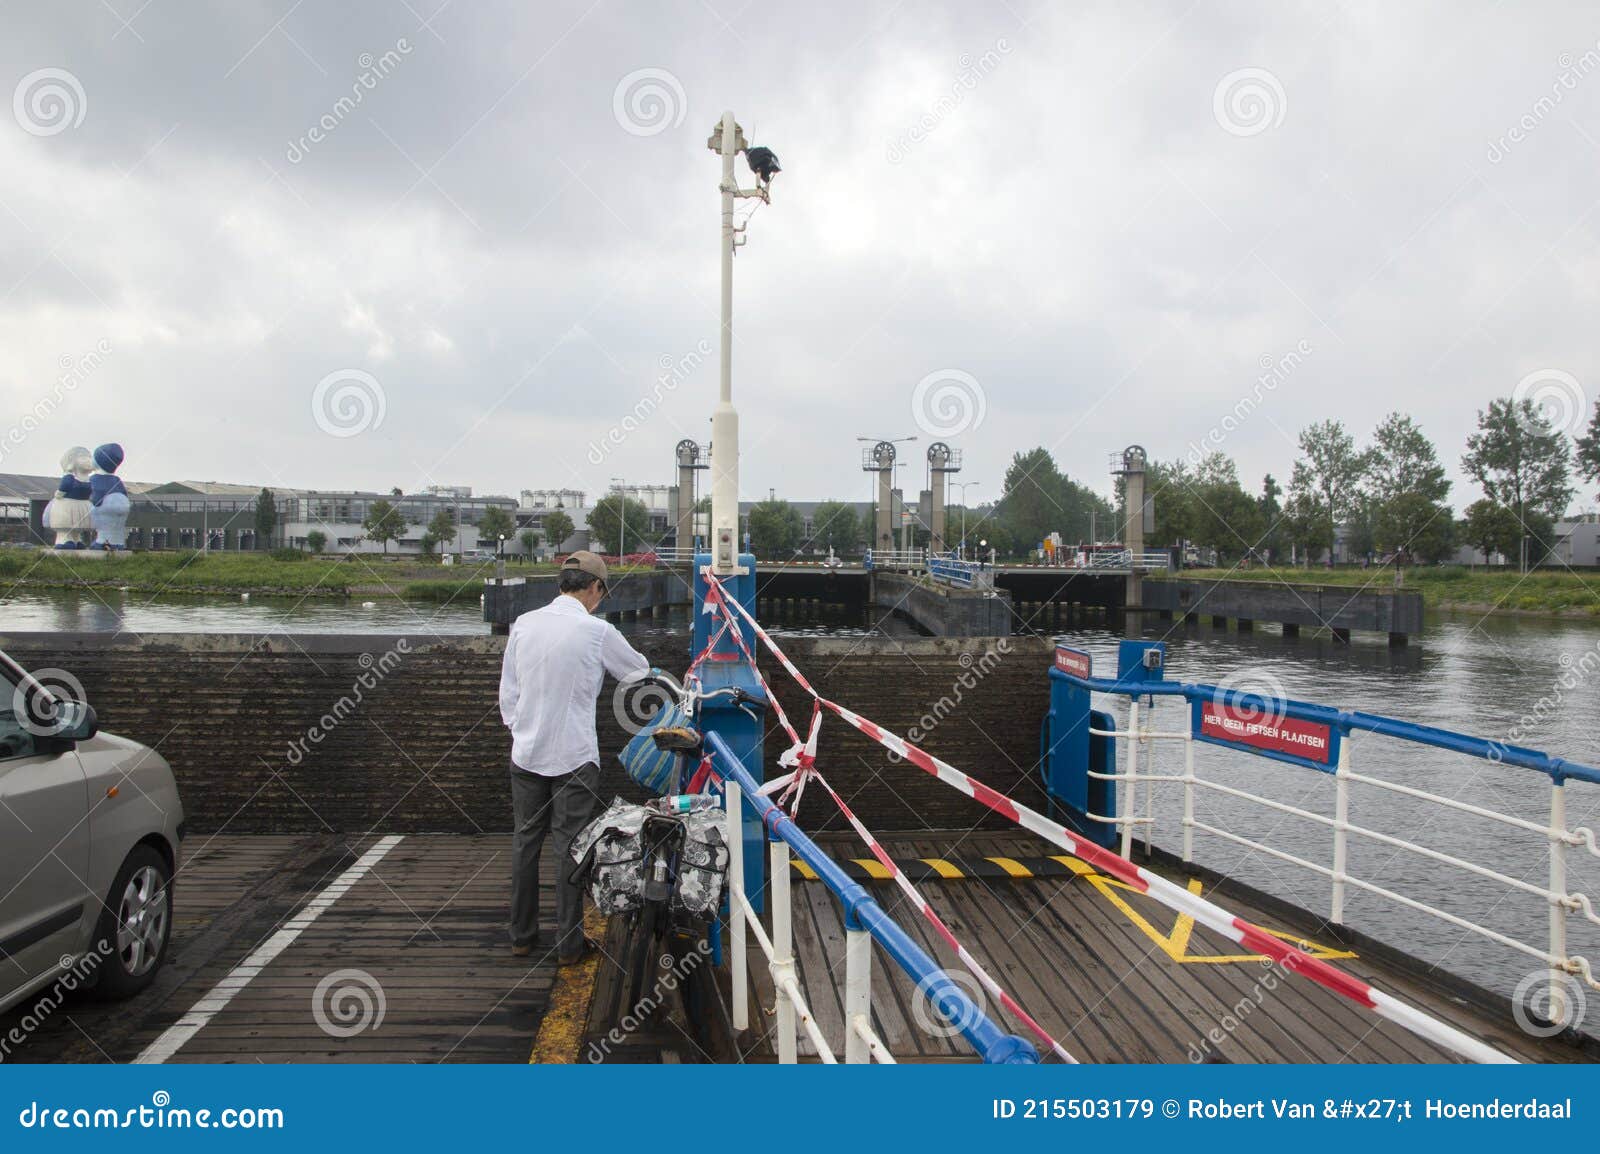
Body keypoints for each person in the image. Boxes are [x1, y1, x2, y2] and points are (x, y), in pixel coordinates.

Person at [499, 550, 649, 962]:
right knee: (569, 848)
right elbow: (637, 671)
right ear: (595, 587)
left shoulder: (524, 624)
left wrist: (521, 728)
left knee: (525, 841)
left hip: (526, 752)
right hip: (574, 756)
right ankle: (568, 946)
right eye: (602, 592)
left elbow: (508, 692)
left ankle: (521, 936)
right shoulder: (596, 631)